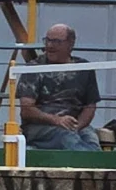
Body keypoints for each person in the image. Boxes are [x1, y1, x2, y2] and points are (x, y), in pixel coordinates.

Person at [19, 23, 104, 152]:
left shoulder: (84, 68)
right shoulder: (34, 68)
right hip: (40, 126)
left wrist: (76, 126)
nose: (49, 46)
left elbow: (90, 106)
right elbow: (27, 110)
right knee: (68, 138)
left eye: (56, 42)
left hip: (74, 124)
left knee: (92, 142)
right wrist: (57, 121)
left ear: (71, 44)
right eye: (47, 40)